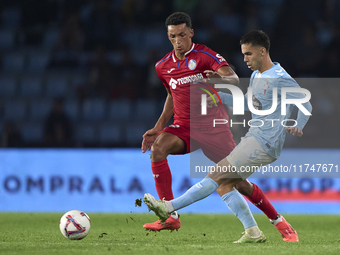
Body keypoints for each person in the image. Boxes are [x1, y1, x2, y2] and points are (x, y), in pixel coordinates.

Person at [144, 30, 312, 243]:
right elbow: (251, 104)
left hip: (263, 142)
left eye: (249, 54)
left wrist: (298, 125)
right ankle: (255, 232)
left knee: (215, 175)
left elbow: (305, 101)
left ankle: (168, 207)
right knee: (226, 185)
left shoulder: (279, 77)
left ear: (262, 51)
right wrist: (217, 94)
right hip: (255, 138)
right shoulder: (257, 75)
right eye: (243, 54)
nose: (245, 59)